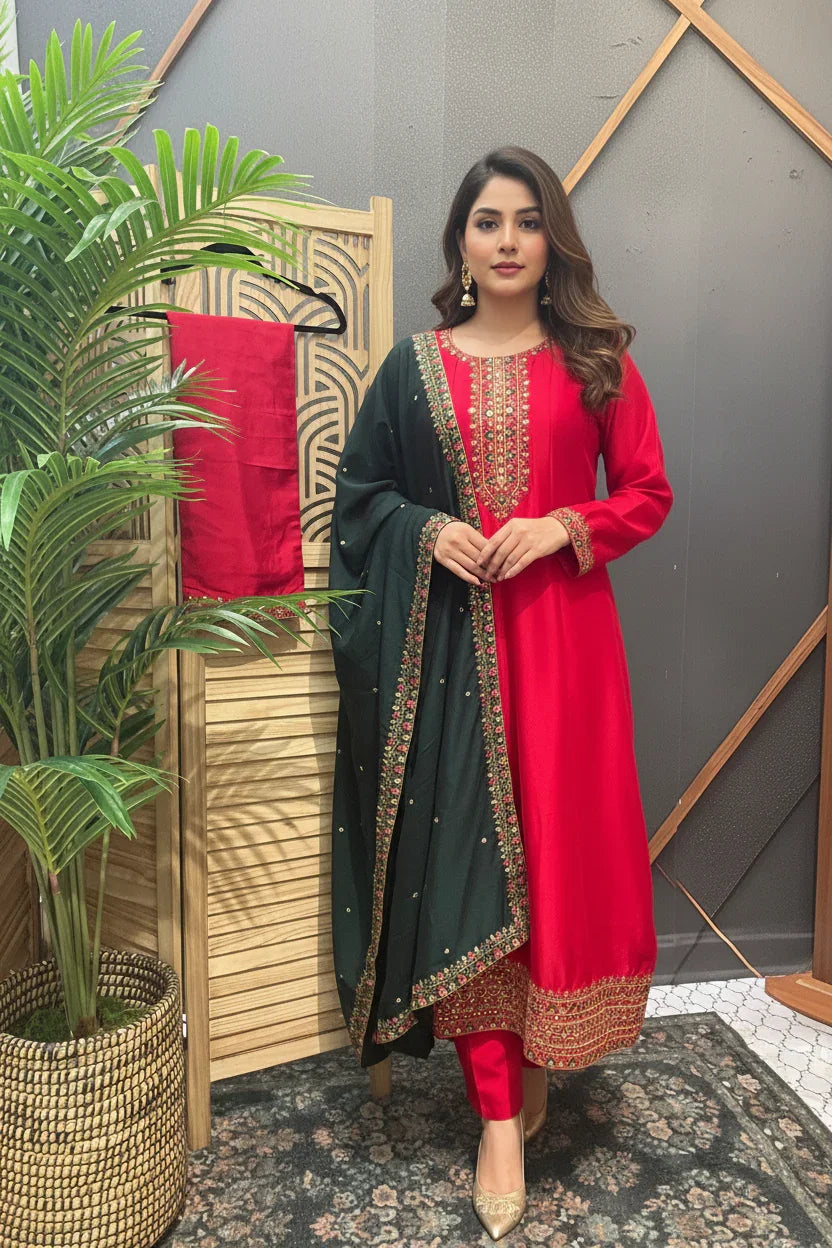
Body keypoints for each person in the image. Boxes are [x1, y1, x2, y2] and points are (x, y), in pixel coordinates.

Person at [328, 146, 673, 1240]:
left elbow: (651, 492)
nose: (509, 239)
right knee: (465, 861)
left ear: (551, 236)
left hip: (565, 652)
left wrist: (568, 524)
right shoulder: (410, 368)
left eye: (528, 220)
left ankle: (535, 1055)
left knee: (554, 862)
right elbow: (361, 497)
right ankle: (495, 1121)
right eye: (488, 221)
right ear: (460, 240)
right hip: (447, 657)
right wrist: (429, 531)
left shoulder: (597, 362)